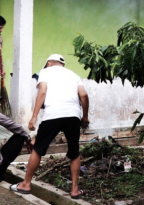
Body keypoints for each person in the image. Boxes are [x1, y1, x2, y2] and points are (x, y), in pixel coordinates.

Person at [10, 54, 90, 200]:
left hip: (52, 114)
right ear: (62, 64)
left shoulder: (46, 72)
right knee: (74, 151)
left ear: (49, 63)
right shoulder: (74, 75)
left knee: (38, 149)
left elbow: (42, 92)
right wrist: (84, 117)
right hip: (73, 115)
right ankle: (75, 190)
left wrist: (34, 117)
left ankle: (26, 184)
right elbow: (83, 95)